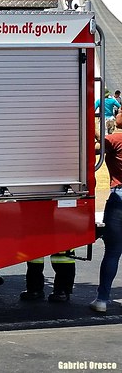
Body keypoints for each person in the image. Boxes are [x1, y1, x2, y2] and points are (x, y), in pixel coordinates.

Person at [92, 111, 122, 312]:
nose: (117, 112)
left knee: (112, 252)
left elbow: (96, 144)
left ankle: (102, 299)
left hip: (119, 197)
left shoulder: (116, 140)